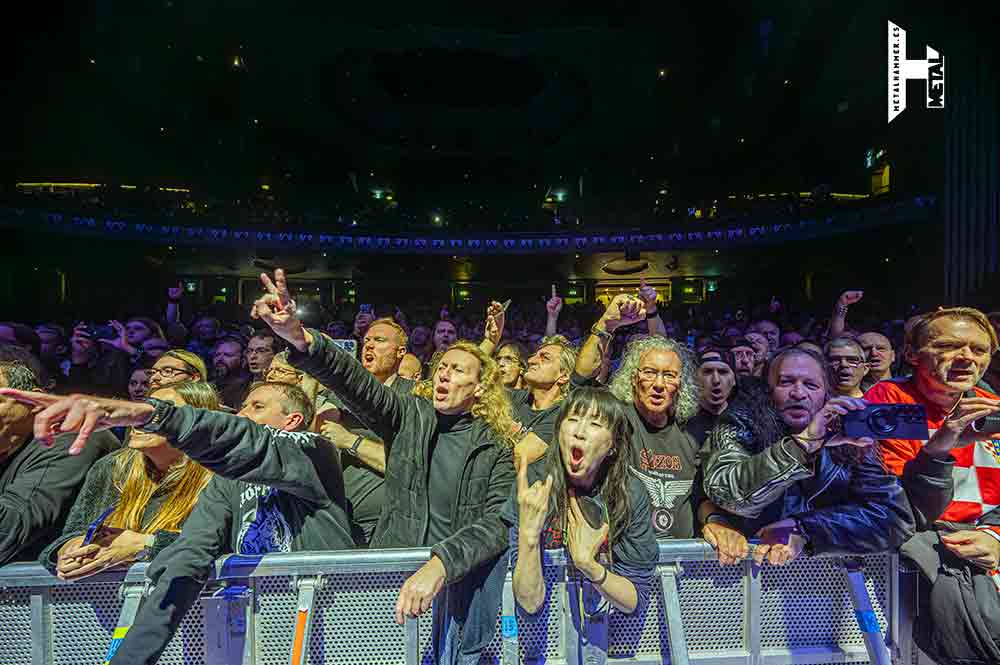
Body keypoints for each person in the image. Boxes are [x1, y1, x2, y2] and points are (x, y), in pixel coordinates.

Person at [252, 269, 516, 663]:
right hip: (392, 581)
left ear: (479, 388)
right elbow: (356, 384)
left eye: (458, 370)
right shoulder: (410, 416)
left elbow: (497, 523)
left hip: (459, 590)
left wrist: (442, 563)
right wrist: (301, 338)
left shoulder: (496, 444)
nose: (444, 374)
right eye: (442, 367)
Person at [1, 380, 354, 665]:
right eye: (243, 406)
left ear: (291, 420)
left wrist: (149, 414)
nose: (242, 413)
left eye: (257, 407)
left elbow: (249, 443)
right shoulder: (225, 483)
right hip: (261, 630)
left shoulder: (314, 452)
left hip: (336, 628)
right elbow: (188, 556)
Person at [864, 307, 1000, 664]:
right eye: (948, 346)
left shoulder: (992, 407)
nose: (966, 357)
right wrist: (940, 448)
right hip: (922, 567)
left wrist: (995, 536)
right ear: (911, 354)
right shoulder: (888, 401)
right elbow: (903, 509)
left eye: (979, 349)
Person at [703, 347, 915, 565]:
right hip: (752, 570)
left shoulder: (851, 436)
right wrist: (803, 444)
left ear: (826, 393)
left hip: (830, 575)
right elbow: (725, 493)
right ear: (767, 390)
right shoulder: (741, 420)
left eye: (811, 385)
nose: (798, 393)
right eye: (786, 382)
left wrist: (804, 528)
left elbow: (894, 518)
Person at [39, 382, 219, 579]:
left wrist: (145, 544)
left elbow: (223, 547)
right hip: (108, 594)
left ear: (195, 423)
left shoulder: (220, 476)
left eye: (160, 412)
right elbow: (74, 531)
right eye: (144, 410)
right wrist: (71, 549)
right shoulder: (113, 467)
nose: (142, 421)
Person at [505, 387, 658, 616]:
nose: (580, 432)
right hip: (547, 630)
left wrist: (589, 565)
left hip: (612, 630)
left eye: (595, 424)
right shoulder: (534, 485)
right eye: (573, 420)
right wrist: (529, 535)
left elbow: (636, 599)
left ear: (613, 445)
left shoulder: (629, 492)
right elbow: (529, 604)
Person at [602, 336, 747, 563]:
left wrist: (716, 522)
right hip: (627, 562)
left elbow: (701, 495)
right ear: (633, 377)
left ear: (681, 383)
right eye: (649, 372)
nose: (659, 384)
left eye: (669, 375)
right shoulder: (616, 420)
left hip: (683, 560)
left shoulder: (694, 432)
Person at [0, 360, 117, 566]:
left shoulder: (69, 438)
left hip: (75, 583)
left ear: (32, 401)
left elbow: (9, 532)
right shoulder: (8, 448)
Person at [318, 317, 417, 545]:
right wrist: (319, 366)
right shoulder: (342, 393)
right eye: (366, 341)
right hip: (339, 517)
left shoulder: (413, 395)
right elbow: (315, 433)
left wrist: (350, 441)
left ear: (400, 352)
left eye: (379, 340)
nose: (369, 345)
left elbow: (410, 464)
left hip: (387, 523)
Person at [509, 335, 578, 469]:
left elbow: (519, 460)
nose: (530, 361)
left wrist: (501, 431)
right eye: (534, 356)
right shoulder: (516, 397)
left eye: (545, 358)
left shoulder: (563, 415)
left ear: (563, 375)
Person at [686, 348, 737, 445]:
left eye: (722, 372)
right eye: (708, 372)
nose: (716, 380)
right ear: (694, 379)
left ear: (734, 379)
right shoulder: (683, 423)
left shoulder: (743, 421)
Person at [211, 336, 252, 409]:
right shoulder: (210, 386)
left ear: (243, 360)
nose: (220, 359)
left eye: (228, 355)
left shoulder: (249, 388)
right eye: (217, 355)